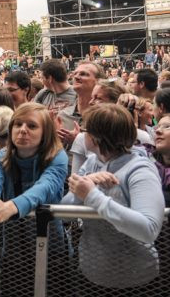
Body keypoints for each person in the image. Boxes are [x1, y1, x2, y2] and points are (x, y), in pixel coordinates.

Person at [62, 104, 164, 290]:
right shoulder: (93, 162)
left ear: (95, 137)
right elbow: (64, 214)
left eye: (85, 130)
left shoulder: (141, 170)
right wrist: (86, 182)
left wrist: (92, 195)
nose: (81, 134)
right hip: (91, 274)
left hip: (135, 280)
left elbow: (149, 229)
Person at [0, 103, 68, 223]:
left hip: (47, 235)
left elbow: (45, 188)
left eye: (32, 126)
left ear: (45, 133)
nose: (23, 130)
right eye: (18, 124)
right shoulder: (2, 156)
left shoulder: (57, 156)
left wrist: (11, 207)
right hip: (11, 236)